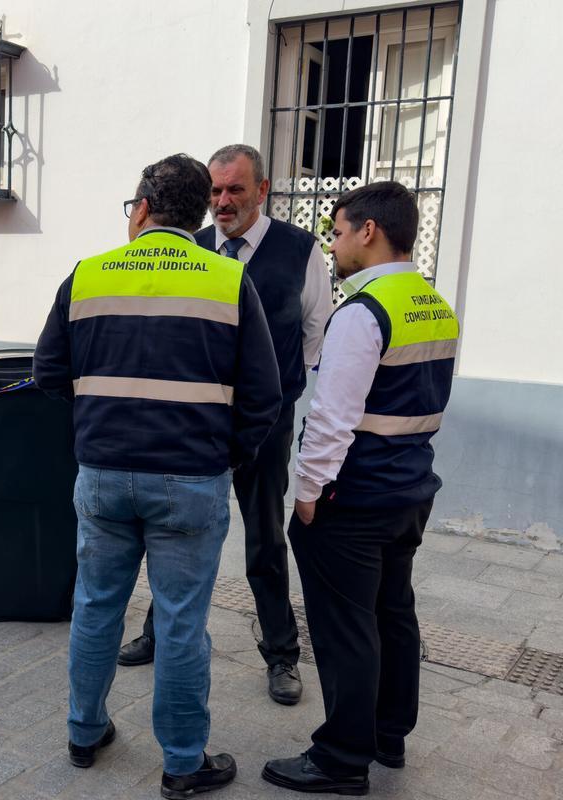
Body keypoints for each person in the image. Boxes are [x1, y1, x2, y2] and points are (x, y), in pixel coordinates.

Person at [33, 154, 282, 798]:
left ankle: (84, 732)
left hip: (104, 474)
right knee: (179, 622)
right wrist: (225, 455)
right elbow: (263, 396)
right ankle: (182, 763)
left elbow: (48, 374)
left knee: (94, 607)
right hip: (190, 480)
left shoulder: (88, 276)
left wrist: (98, 426)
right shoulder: (226, 280)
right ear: (199, 212)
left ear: (142, 207)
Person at [118, 144, 332, 709]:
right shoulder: (195, 249)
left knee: (264, 538)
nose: (222, 202)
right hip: (197, 422)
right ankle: (157, 633)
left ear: (262, 191)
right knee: (173, 533)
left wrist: (280, 390)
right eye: (214, 191)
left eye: (235, 189)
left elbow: (316, 333)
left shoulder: (299, 251)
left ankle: (282, 654)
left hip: (264, 424)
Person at [262, 181, 458, 795]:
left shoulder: (362, 312)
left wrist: (307, 491)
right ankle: (387, 735)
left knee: (345, 623)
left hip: (355, 496)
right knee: (392, 612)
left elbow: (331, 415)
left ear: (368, 231)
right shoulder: (433, 304)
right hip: (409, 491)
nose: (334, 243)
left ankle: (342, 757)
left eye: (339, 231)